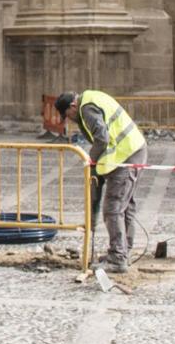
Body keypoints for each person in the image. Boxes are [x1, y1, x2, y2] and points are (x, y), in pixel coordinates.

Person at [55, 90, 147, 273]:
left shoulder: (86, 109)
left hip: (126, 155)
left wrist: (92, 159)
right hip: (133, 150)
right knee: (125, 206)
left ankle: (118, 258)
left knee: (113, 208)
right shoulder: (92, 99)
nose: (70, 119)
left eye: (67, 115)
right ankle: (122, 252)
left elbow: (102, 138)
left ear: (73, 106)